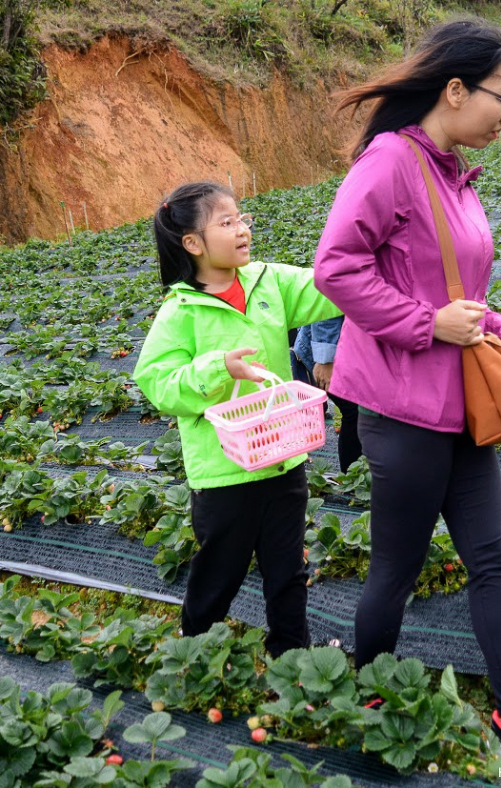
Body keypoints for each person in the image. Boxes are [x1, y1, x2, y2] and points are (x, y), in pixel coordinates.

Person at [312, 19, 501, 754]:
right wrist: (425, 325)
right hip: (400, 407)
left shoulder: (452, 173)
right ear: (456, 90)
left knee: (491, 558)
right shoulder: (391, 162)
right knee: (397, 567)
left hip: (460, 408)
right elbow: (336, 268)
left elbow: (463, 294)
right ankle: (374, 692)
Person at [134, 181, 341, 656]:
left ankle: (291, 657)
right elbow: (157, 382)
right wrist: (218, 368)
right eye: (226, 222)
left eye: (242, 219)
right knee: (219, 572)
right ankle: (193, 650)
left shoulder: (269, 281)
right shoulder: (180, 311)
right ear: (193, 243)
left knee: (288, 568)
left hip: (283, 457)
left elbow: (327, 289)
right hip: (224, 472)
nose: (243, 229)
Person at [291, 317, 363, 472]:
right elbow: (326, 310)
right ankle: (352, 479)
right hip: (331, 353)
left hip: (348, 346)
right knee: (355, 412)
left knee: (357, 413)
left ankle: (354, 478)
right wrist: (325, 359)